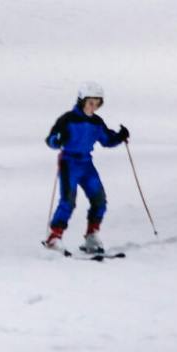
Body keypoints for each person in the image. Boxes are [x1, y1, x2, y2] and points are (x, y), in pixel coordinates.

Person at [43, 82, 129, 254]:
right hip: (69, 163)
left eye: (97, 103)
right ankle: (54, 237)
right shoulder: (67, 119)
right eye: (90, 102)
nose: (93, 106)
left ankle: (92, 236)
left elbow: (106, 140)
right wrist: (58, 140)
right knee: (68, 201)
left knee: (99, 201)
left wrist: (120, 136)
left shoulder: (97, 122)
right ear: (82, 101)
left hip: (86, 164)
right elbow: (51, 139)